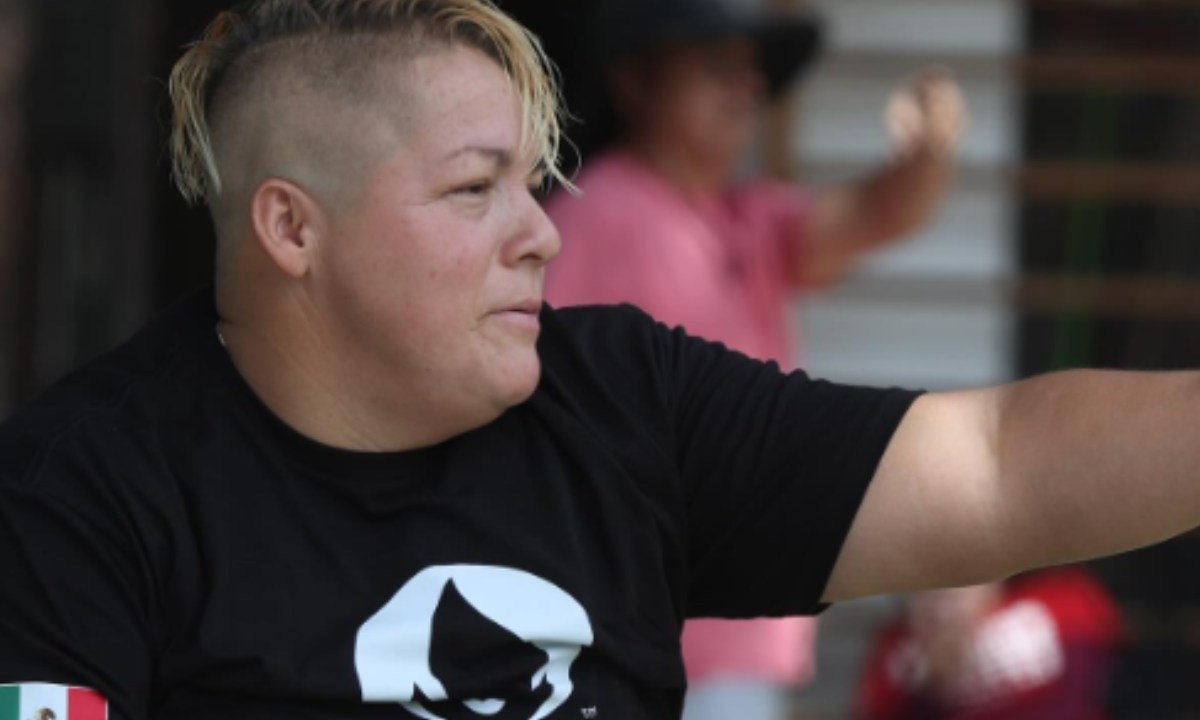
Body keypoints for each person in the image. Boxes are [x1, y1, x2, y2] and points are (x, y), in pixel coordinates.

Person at [0, 2, 1199, 719]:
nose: (544, 233)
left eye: (532, 181)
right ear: (291, 229)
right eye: (476, 189)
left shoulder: (621, 403)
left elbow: (992, 462)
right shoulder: (80, 489)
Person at [542, 1, 964, 717]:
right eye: (714, 68)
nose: (744, 88)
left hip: (733, 617)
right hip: (636, 623)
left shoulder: (745, 214)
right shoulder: (592, 215)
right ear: (637, 83)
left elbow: (873, 213)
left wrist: (927, 152)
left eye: (750, 72)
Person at [854, 569, 1123, 720]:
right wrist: (935, 687)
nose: (942, 601)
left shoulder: (1060, 603)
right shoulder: (897, 653)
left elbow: (1104, 672)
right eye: (926, 592)